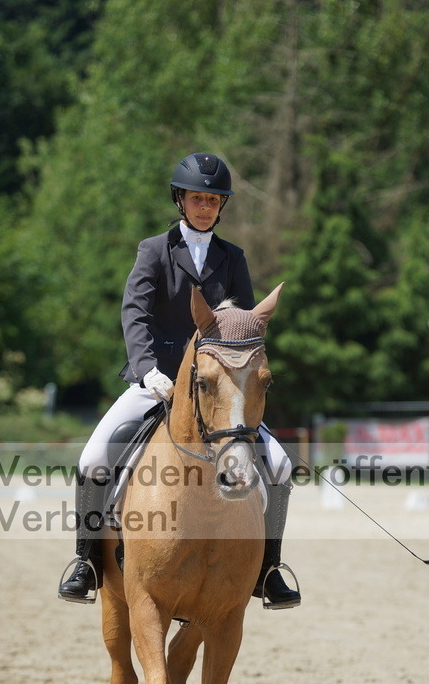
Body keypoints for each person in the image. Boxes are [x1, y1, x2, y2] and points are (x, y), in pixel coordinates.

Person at [58, 151, 300, 609]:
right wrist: (147, 368)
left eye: (213, 200)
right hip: (156, 381)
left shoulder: (233, 258)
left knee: (282, 466)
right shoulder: (154, 250)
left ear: (221, 206)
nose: (205, 207)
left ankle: (269, 570)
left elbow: (244, 326)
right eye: (196, 199)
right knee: (93, 458)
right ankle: (86, 561)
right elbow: (136, 312)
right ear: (181, 201)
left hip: (217, 388)